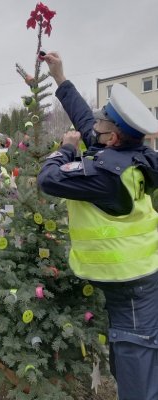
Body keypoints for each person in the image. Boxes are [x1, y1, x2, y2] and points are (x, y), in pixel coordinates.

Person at [37, 51, 158, 400]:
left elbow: (49, 179)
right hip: (139, 278)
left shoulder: (107, 176)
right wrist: (60, 76)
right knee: (133, 358)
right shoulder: (135, 155)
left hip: (132, 286)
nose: (95, 125)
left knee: (138, 370)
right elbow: (83, 117)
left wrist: (64, 150)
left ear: (112, 138)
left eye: (102, 124)